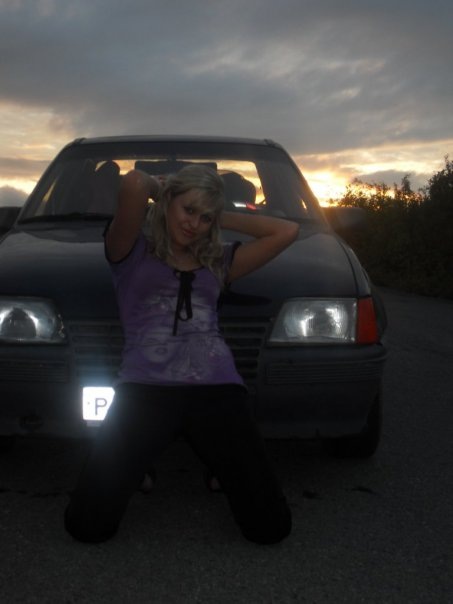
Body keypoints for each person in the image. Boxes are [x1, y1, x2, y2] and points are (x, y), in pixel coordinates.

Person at [64, 164, 299, 545]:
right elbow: (134, 183)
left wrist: (218, 213)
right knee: (87, 527)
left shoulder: (220, 260)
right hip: (144, 389)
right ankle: (139, 468)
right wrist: (162, 190)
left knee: (271, 529)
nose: (195, 224)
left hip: (216, 389)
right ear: (168, 203)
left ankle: (218, 468)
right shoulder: (130, 251)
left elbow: (286, 231)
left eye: (205, 218)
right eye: (188, 210)